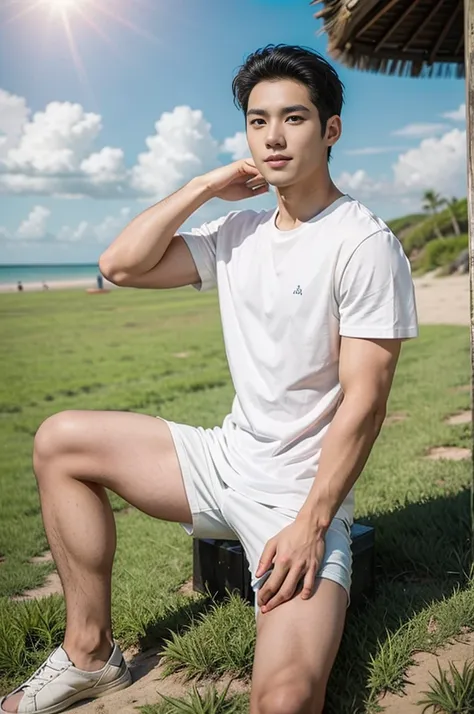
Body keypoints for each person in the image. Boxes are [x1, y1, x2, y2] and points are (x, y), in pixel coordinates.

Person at [1, 44, 418, 714]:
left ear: (331, 129)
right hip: (222, 461)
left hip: (296, 498)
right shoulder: (238, 231)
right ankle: (90, 655)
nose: (273, 137)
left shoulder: (363, 243)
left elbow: (365, 403)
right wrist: (202, 187)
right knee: (60, 440)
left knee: (283, 700)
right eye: (258, 121)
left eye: (293, 118)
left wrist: (312, 523)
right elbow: (121, 264)